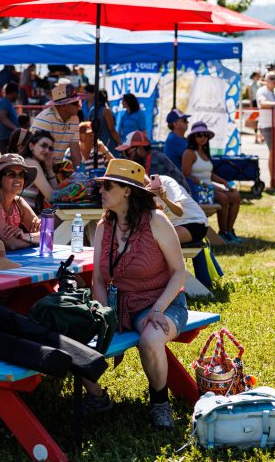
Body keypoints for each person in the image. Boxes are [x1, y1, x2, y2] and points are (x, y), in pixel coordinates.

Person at [91, 159, 190, 429]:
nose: (101, 191)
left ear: (127, 191)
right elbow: (98, 278)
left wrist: (158, 308)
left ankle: (160, 404)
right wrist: (103, 315)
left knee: (150, 338)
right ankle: (95, 397)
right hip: (121, 307)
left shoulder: (156, 221)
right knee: (71, 334)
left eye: (107, 186)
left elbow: (180, 272)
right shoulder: (103, 227)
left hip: (164, 302)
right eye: (101, 186)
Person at [181, 121, 242, 244]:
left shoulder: (204, 152)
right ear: (193, 137)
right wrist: (200, 183)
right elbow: (185, 174)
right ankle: (223, 232)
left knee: (236, 196)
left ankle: (229, 231)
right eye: (199, 135)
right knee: (224, 198)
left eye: (205, 135)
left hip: (209, 188)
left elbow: (210, 174)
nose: (203, 138)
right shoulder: (189, 153)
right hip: (198, 190)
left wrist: (224, 182)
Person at [0, 154, 41, 250]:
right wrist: (34, 240)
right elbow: (11, 243)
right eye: (11, 174)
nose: (18, 178)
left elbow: (47, 234)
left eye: (21, 174)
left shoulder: (19, 202)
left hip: (13, 260)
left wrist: (25, 236)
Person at [117, 131, 189, 195]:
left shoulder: (155, 162)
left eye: (127, 153)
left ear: (141, 149)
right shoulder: (150, 158)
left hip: (181, 205)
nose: (126, 157)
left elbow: (152, 193)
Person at [146, 174, 208, 244]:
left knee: (157, 241)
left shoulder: (166, 182)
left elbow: (179, 212)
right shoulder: (138, 192)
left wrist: (165, 199)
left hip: (193, 222)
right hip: (169, 226)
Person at [31, 84, 83, 167]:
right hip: (37, 167)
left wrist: (82, 174)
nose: (79, 106)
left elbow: (75, 149)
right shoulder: (46, 119)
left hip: (53, 168)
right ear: (64, 105)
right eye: (76, 103)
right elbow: (39, 154)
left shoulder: (74, 118)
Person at [256, 72, 275, 190]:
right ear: (265, 79)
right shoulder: (261, 91)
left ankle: (274, 181)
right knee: (273, 152)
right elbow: (262, 104)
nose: (274, 80)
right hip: (268, 125)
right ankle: (272, 182)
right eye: (271, 78)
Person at [20, 131, 59, 212]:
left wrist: (49, 168)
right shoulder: (31, 163)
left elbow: (54, 193)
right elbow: (51, 196)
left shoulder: (31, 162)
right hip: (19, 218)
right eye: (43, 145)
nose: (47, 150)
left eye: (50, 148)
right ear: (31, 146)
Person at [83, 85, 121, 155]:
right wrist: (120, 143)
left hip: (97, 144)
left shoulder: (92, 110)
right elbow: (112, 130)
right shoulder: (106, 110)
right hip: (108, 145)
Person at [0, 82, 20, 154]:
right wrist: (16, 128)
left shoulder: (8, 103)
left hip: (8, 137)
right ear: (13, 93)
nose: (17, 96)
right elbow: (3, 118)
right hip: (5, 138)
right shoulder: (3, 103)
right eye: (17, 93)